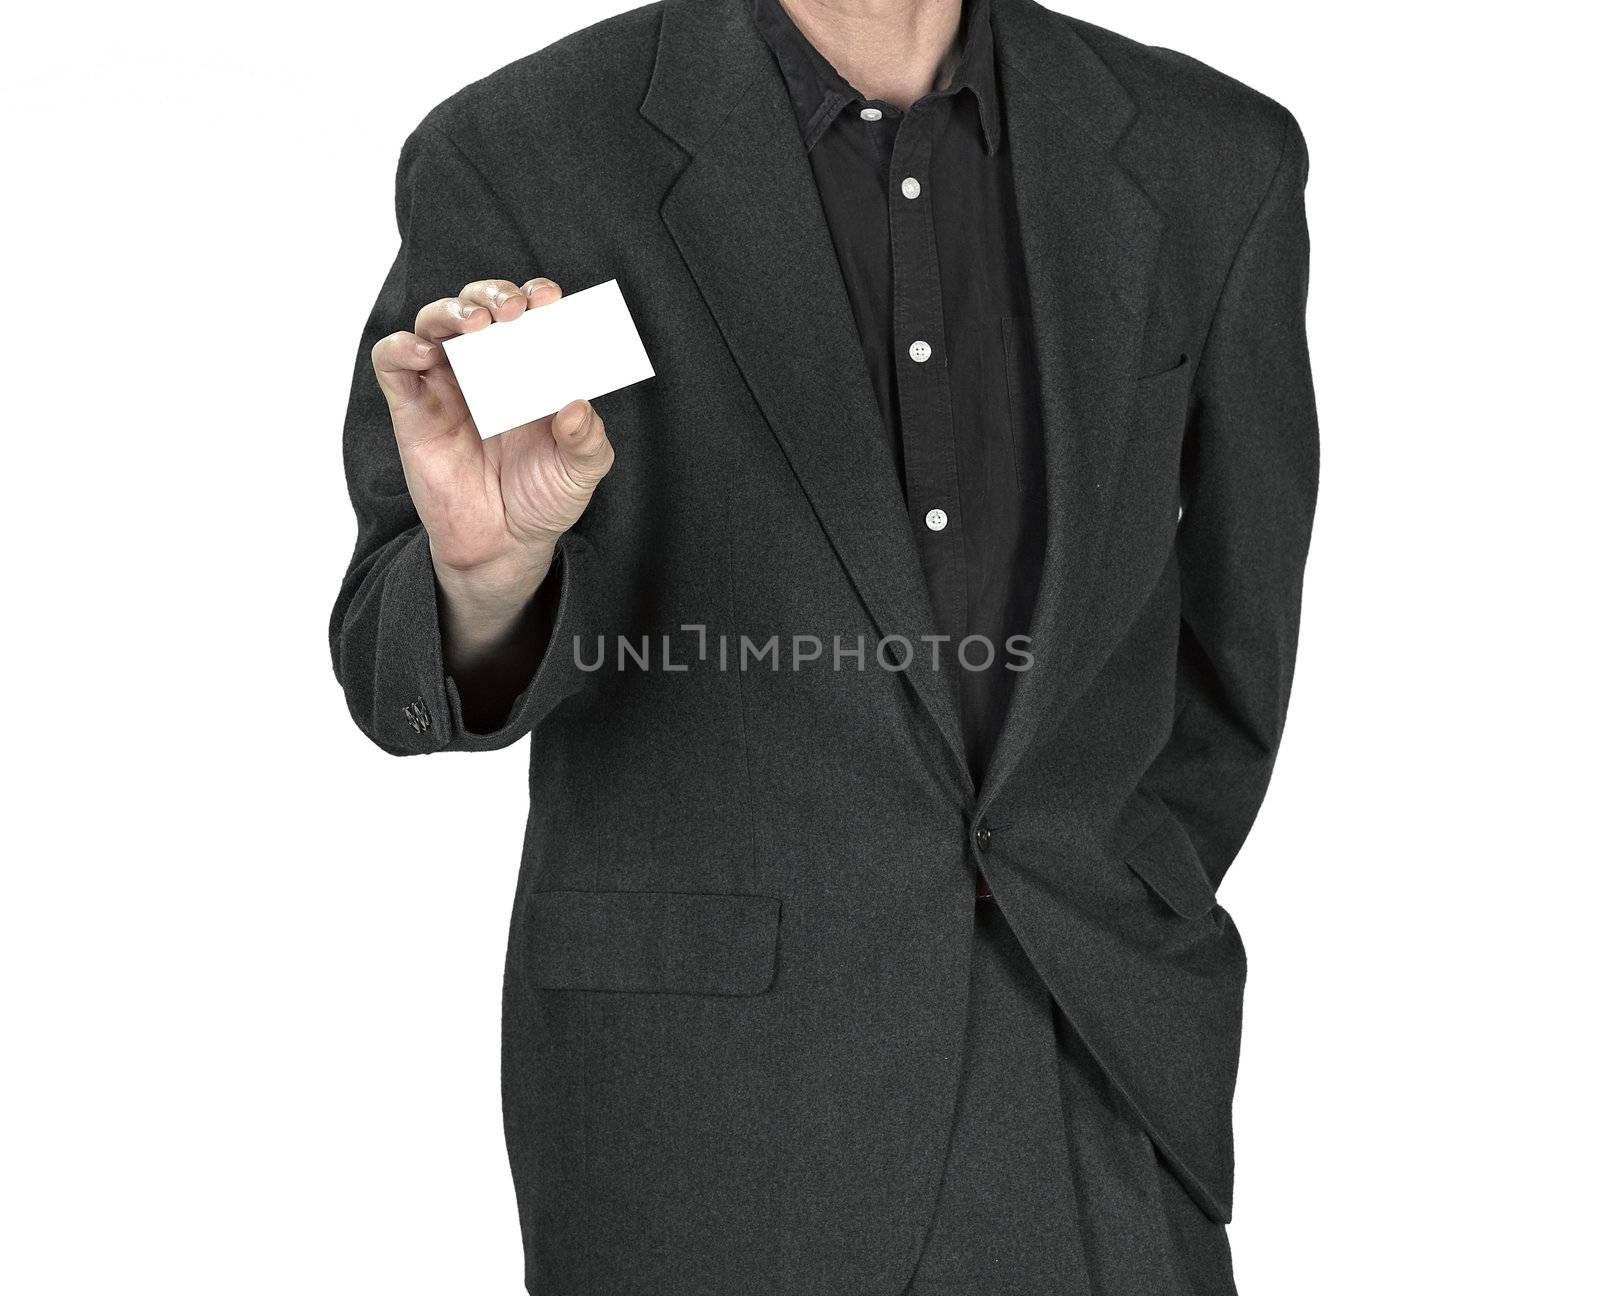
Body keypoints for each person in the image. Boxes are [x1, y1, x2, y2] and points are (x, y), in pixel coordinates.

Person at [330, 0, 1318, 1290]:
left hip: (1093, 1055)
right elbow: (395, 656)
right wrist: (488, 567)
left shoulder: (1211, 153)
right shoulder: (531, 154)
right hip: (707, 1109)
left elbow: (1236, 618)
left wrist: (1137, 884)